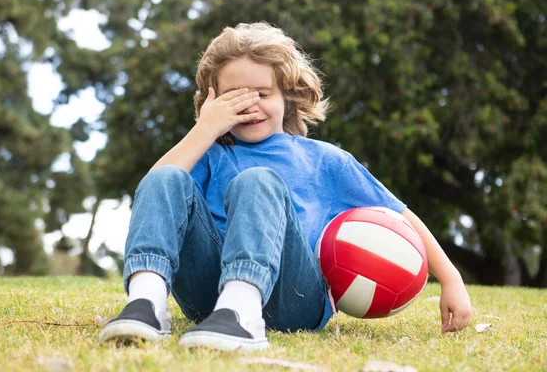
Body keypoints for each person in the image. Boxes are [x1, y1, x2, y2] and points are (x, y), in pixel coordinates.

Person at [99, 22, 472, 352]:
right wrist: (204, 130)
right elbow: (155, 191)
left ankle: (243, 312)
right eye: (234, 97)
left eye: (262, 94)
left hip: (295, 298)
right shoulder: (207, 152)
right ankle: (146, 303)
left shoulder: (325, 160)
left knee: (257, 181)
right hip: (206, 299)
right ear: (211, 100)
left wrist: (451, 278)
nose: (251, 106)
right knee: (165, 176)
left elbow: (401, 216)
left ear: (286, 97)